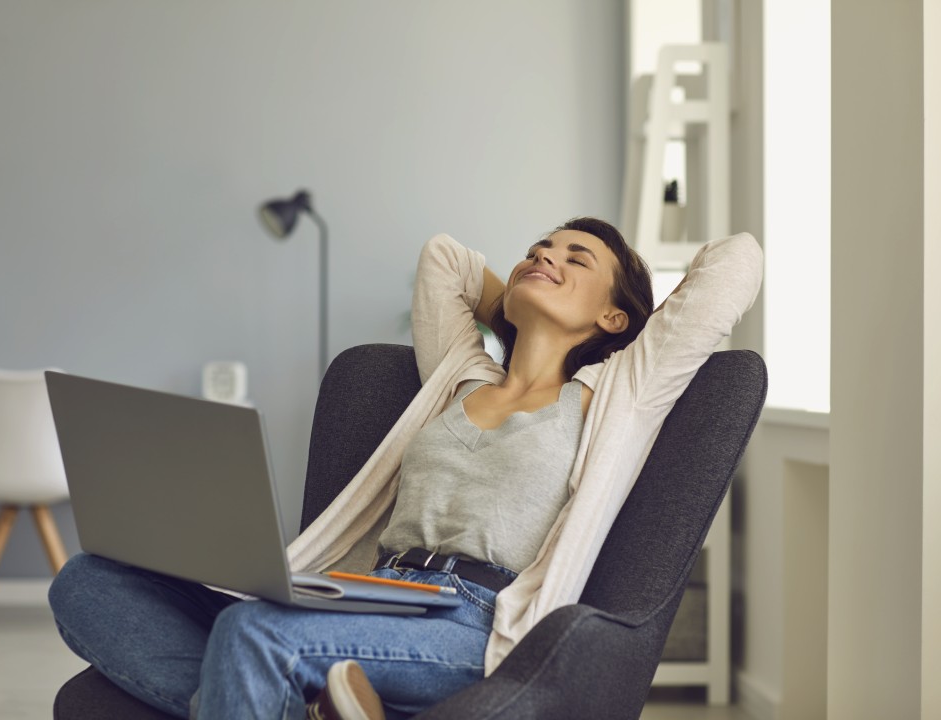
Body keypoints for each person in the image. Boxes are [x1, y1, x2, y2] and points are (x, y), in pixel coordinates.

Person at [49, 216, 763, 719]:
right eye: (537, 248)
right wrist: (517, 303)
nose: (545, 255)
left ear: (613, 318)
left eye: (575, 259)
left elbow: (738, 260)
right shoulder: (456, 375)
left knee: (252, 637)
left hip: (472, 618)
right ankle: (295, 705)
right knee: (90, 582)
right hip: (363, 592)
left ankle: (271, 694)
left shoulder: (622, 392)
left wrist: (568, 313)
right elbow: (444, 258)